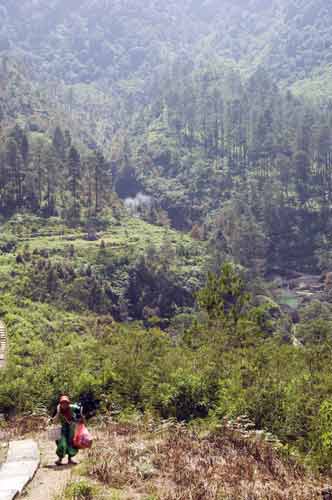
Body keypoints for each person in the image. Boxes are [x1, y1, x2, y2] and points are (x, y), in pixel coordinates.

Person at [51, 395, 84, 466]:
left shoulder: (73, 408)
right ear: (60, 403)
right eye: (62, 403)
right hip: (61, 430)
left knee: (72, 444)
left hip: (72, 429)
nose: (64, 405)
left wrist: (80, 418)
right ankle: (60, 459)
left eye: (66, 403)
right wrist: (58, 413)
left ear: (68, 403)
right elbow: (53, 421)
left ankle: (70, 459)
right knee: (62, 444)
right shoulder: (58, 409)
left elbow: (80, 412)